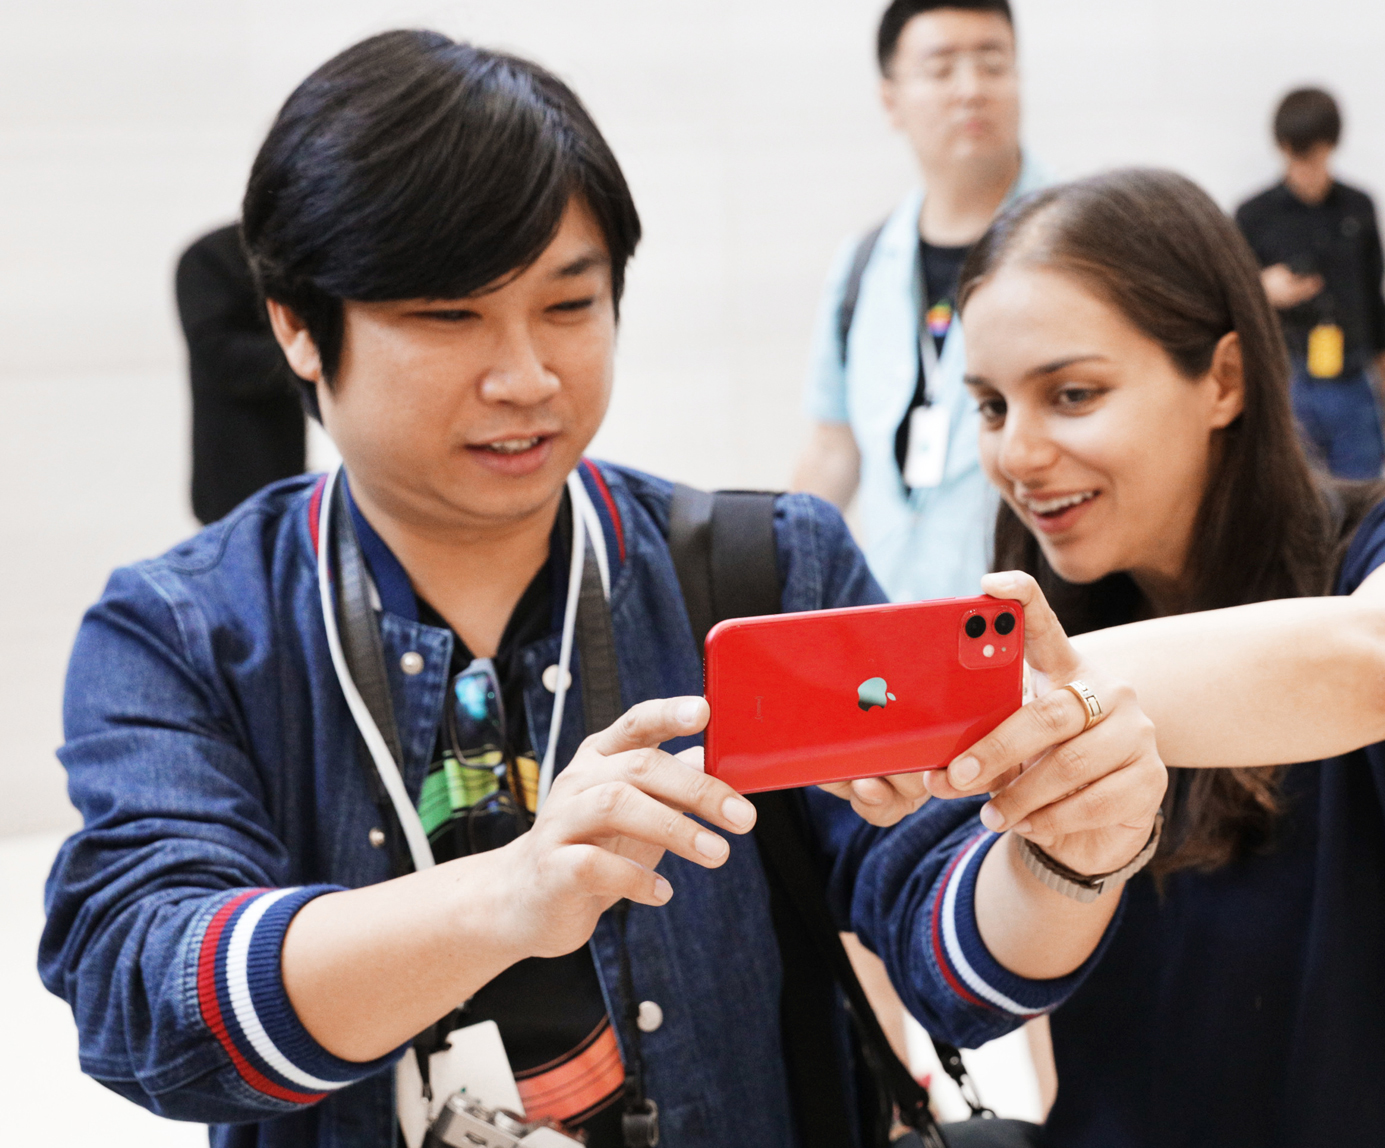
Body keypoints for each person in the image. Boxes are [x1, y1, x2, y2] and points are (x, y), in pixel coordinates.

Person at [37, 31, 1150, 1148]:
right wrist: (508, 896)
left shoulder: (768, 569)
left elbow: (950, 949)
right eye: (449, 316)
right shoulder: (186, 629)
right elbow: (152, 998)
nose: (526, 375)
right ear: (297, 326)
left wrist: (1065, 855)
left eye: (570, 306)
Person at [896, 168, 1385, 1146]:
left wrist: (1005, 697)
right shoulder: (1067, 648)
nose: (1018, 452)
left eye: (1072, 393)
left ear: (1225, 379)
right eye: (990, 406)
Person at [792, 0, 1048, 602]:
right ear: (891, 99)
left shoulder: (1082, 242)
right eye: (940, 69)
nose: (971, 90)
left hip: (1045, 630)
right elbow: (834, 448)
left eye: (993, 64)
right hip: (893, 638)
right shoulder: (863, 263)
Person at [1235, 88, 1385, 480]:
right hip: (1285, 380)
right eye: (1297, 155)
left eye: (1315, 153)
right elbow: (1221, 308)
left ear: (1332, 146)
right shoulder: (1254, 215)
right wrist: (1260, 290)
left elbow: (1379, 309)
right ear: (1282, 148)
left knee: (1362, 502)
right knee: (1291, 502)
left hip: (1353, 379)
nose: (1306, 168)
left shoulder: (1358, 209)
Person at [177, 223, 307, 523]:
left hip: (286, 470)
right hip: (232, 470)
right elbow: (221, 356)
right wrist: (313, 348)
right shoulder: (210, 257)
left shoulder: (296, 255)